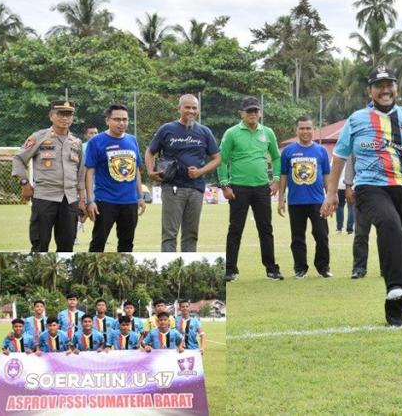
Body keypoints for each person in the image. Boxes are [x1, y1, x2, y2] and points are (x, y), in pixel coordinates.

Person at [321, 66, 402, 327]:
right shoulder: (357, 119)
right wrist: (331, 193)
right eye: (379, 85)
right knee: (390, 225)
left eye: (389, 85)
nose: (385, 90)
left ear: (396, 88)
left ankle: (396, 312)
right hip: (370, 187)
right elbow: (339, 156)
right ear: (370, 91)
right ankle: (394, 283)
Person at [145, 94, 221, 252]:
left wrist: (200, 171)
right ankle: (168, 273)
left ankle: (188, 271)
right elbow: (150, 152)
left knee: (191, 235)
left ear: (198, 110)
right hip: (173, 188)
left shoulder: (204, 132)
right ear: (179, 108)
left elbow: (217, 158)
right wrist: (151, 171)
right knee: (169, 234)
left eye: (194, 108)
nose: (191, 111)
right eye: (187, 107)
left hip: (196, 189)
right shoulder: (167, 129)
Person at [218, 96, 282, 281]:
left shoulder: (267, 132)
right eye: (249, 111)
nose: (253, 114)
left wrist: (276, 179)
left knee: (266, 229)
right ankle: (230, 269)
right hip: (238, 188)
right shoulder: (232, 133)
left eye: (256, 111)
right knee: (235, 229)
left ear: (260, 113)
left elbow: (276, 157)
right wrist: (224, 184)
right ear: (242, 114)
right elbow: (222, 159)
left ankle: (271, 268)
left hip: (262, 188)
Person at [12, 100, 86, 252]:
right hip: (44, 198)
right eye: (60, 114)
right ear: (51, 116)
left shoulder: (76, 143)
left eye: (69, 114)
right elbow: (19, 159)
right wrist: (25, 183)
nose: (65, 118)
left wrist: (82, 200)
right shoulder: (39, 137)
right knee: (40, 245)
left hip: (70, 200)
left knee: (67, 246)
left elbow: (81, 173)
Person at [84, 104, 146, 252]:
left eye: (125, 119)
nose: (122, 123)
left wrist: (141, 196)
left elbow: (136, 169)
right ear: (107, 120)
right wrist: (90, 200)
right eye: (117, 119)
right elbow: (89, 173)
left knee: (127, 244)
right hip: (105, 201)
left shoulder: (132, 140)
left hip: (130, 202)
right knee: (98, 243)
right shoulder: (96, 141)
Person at [278, 115, 332, 279]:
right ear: (297, 130)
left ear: (313, 129)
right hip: (295, 202)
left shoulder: (321, 151)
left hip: (318, 202)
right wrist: (281, 199)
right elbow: (284, 176)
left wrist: (329, 198)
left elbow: (327, 177)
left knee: (322, 236)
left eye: (308, 128)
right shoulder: (288, 151)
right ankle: (300, 268)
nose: (305, 131)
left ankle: (323, 267)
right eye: (302, 128)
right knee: (297, 238)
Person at [343, 155, 371, 279]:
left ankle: (386, 268)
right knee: (361, 232)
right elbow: (350, 162)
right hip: (362, 191)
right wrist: (348, 186)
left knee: (386, 232)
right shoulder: (357, 136)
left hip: (386, 190)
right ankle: (359, 268)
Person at [335, 158, 354, 235]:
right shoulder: (353, 155)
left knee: (340, 206)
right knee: (351, 207)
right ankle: (350, 230)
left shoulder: (338, 155)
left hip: (340, 185)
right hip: (350, 184)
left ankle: (339, 228)